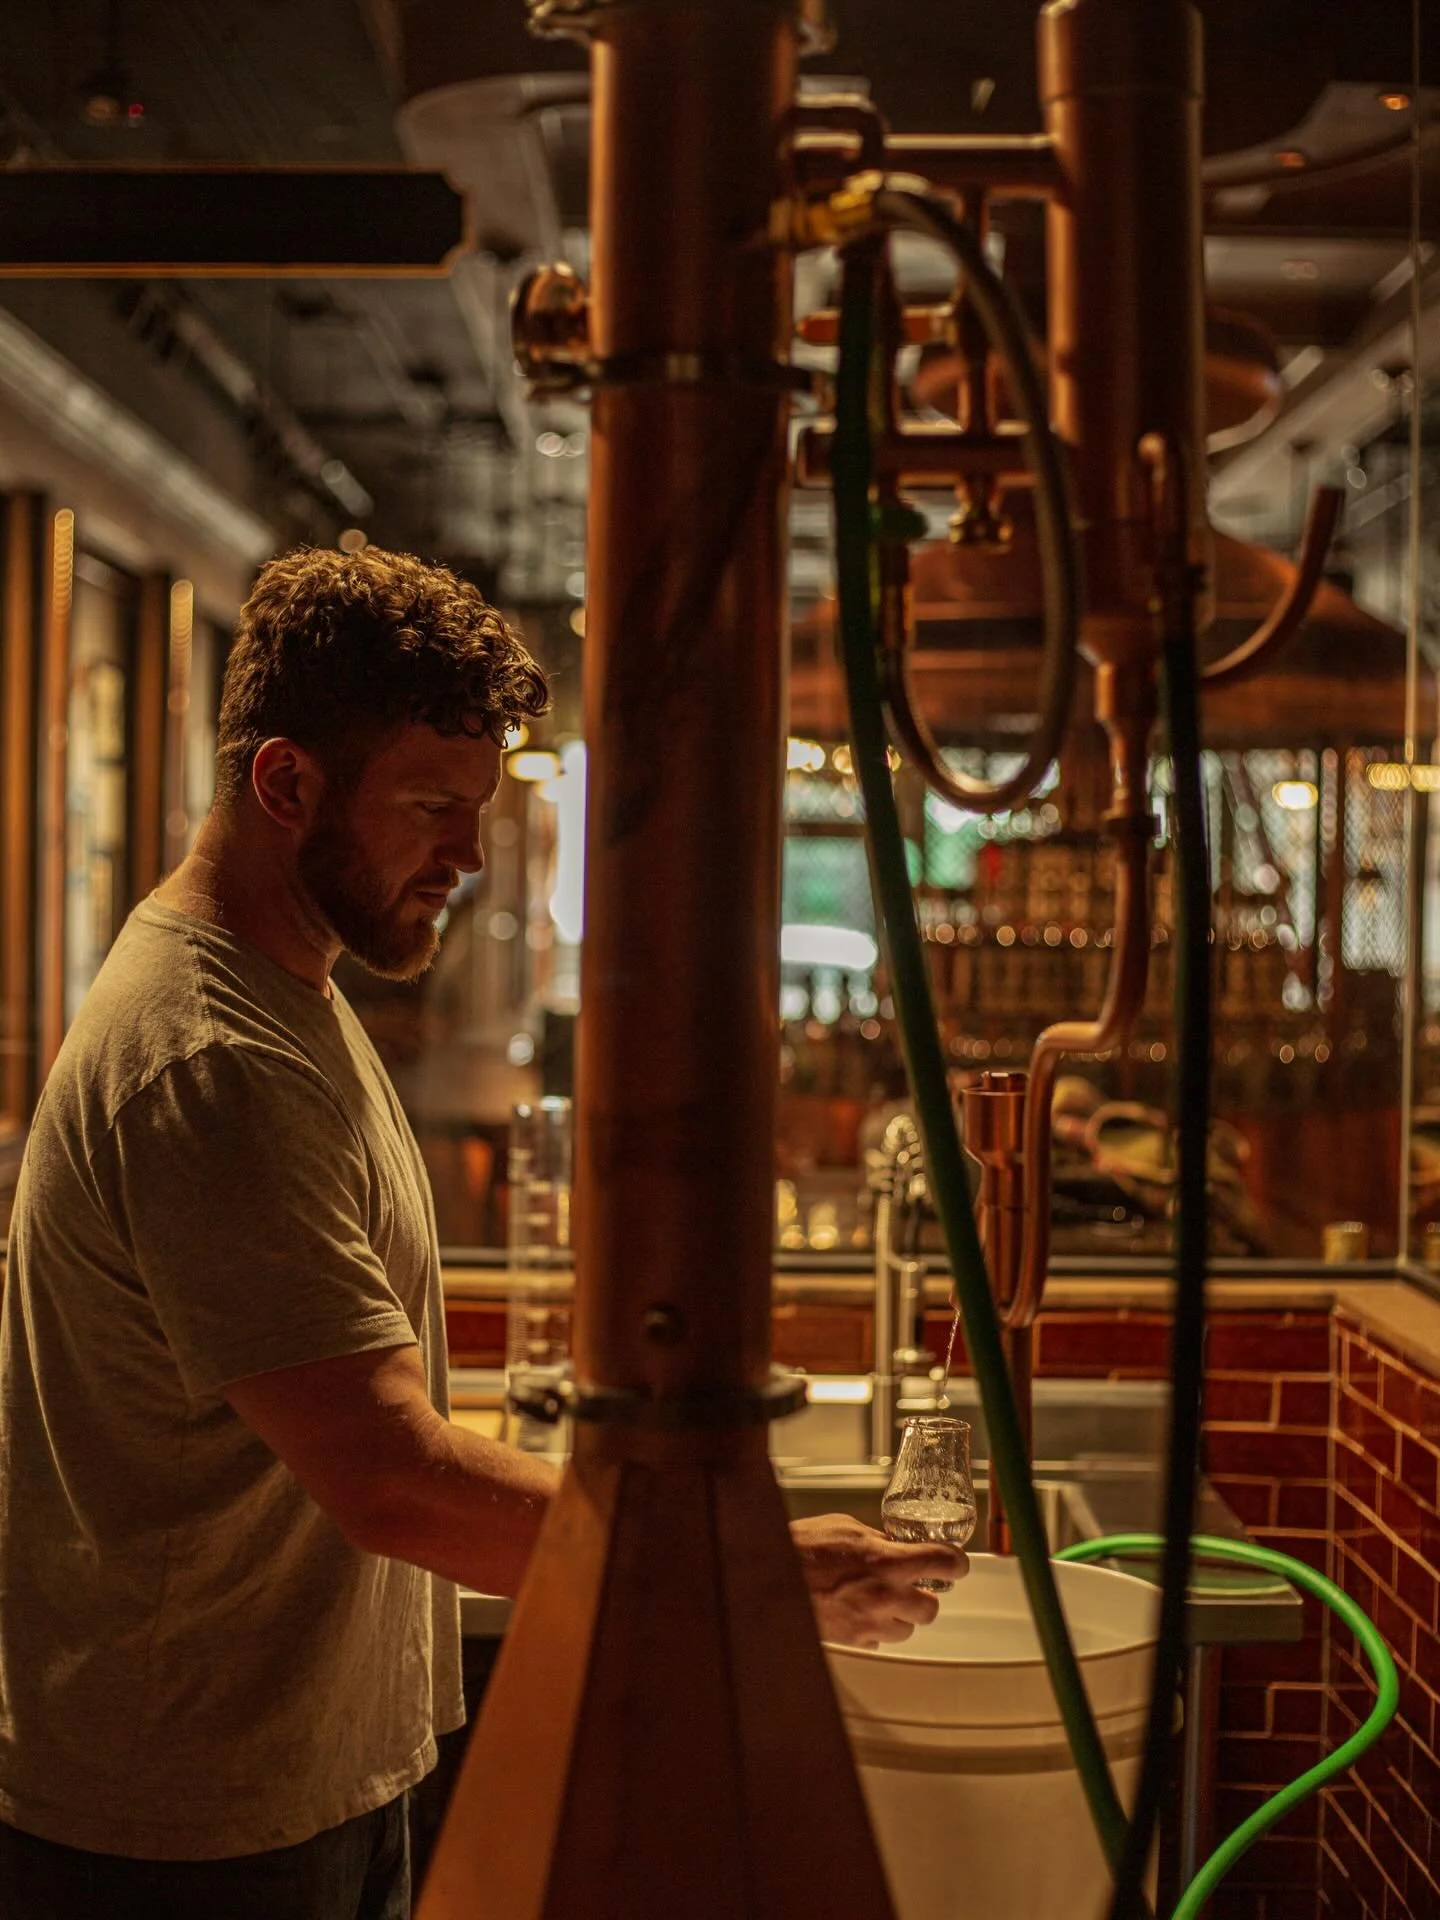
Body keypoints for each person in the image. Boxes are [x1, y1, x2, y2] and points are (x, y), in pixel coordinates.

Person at [0, 545, 964, 1919]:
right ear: (287, 784)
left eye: (481, 808)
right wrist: (759, 1578)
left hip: (286, 1780)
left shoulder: (291, 989)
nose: (468, 851)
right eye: (431, 806)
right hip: (186, 1831)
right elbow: (391, 1476)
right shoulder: (211, 1058)